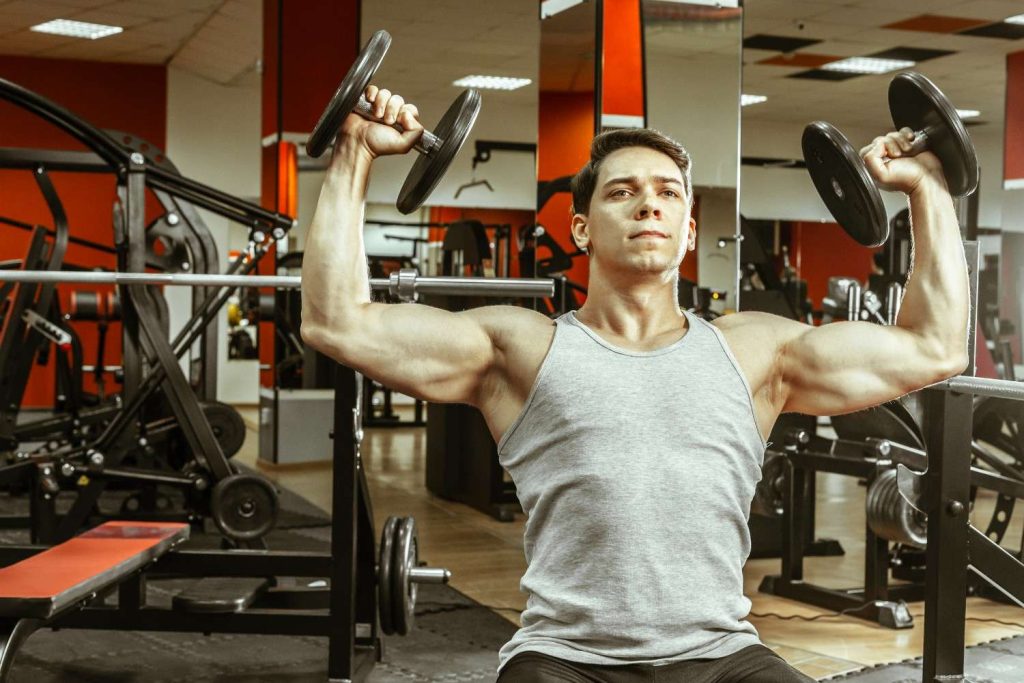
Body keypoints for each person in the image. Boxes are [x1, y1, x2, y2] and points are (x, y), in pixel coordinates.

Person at [301, 86, 969, 682]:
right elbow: (338, 322)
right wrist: (355, 151)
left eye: (668, 192)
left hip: (720, 656)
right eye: (622, 191)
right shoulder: (521, 347)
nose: (649, 201)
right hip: (565, 658)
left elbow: (934, 346)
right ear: (582, 228)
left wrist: (926, 187)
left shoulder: (757, 351)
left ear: (687, 231)